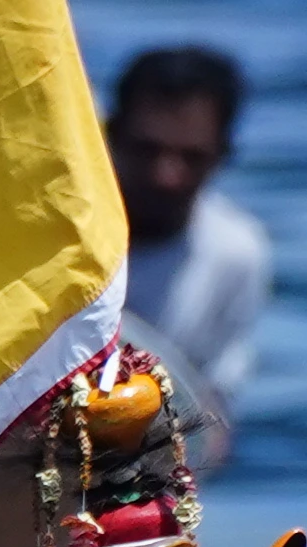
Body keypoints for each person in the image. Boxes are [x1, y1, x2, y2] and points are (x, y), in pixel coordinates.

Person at [103, 45, 269, 465]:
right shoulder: (54, 231)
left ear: (223, 154)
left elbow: (212, 416)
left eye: (191, 157)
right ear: (110, 135)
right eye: (148, 150)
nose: (166, 175)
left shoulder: (236, 253)